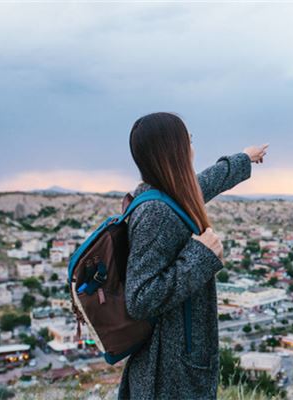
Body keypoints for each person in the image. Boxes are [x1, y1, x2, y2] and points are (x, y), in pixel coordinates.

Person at [117, 111, 268, 399]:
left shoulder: (163, 197)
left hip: (172, 362)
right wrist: (200, 256)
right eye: (189, 140)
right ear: (173, 149)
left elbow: (202, 185)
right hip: (168, 373)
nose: (192, 147)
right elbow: (140, 299)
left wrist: (244, 159)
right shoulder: (156, 213)